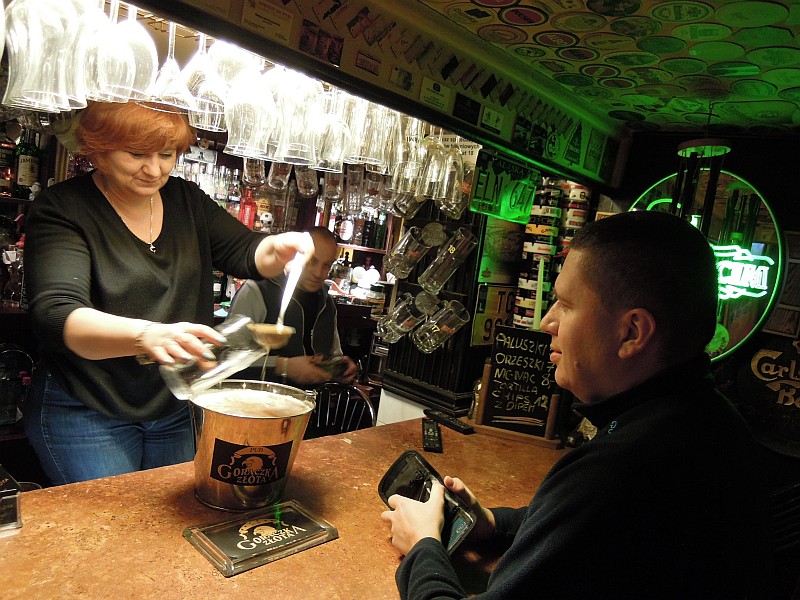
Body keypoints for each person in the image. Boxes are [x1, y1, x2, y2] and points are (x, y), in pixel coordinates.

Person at [381, 211, 773, 599]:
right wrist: (494, 524)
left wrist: (423, 545)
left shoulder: (620, 468)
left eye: (565, 304)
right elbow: (594, 530)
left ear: (632, 332)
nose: (546, 322)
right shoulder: (709, 417)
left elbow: (598, 507)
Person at [23, 100, 313, 486]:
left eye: (165, 154)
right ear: (98, 150)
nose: (154, 169)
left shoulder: (185, 200)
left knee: (173, 516)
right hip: (86, 405)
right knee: (118, 520)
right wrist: (147, 335)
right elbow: (57, 314)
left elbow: (246, 252)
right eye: (136, 154)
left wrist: (277, 248)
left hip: (174, 400)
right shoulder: (64, 208)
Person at [226, 226, 358, 387]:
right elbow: (227, 359)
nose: (318, 273)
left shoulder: (327, 303)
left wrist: (339, 367)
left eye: (326, 265)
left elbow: (332, 354)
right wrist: (283, 367)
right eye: (312, 261)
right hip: (260, 398)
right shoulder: (258, 290)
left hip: (310, 400)